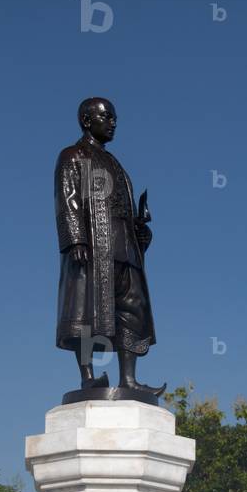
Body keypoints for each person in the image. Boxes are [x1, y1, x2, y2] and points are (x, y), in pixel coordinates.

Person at [54, 97, 164, 396]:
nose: (113, 122)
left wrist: (140, 229)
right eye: (107, 116)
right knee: (88, 310)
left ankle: (128, 379)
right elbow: (68, 201)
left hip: (125, 245)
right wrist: (75, 239)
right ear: (87, 120)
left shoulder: (115, 162)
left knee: (133, 308)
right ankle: (88, 377)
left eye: (114, 117)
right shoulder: (73, 156)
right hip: (93, 244)